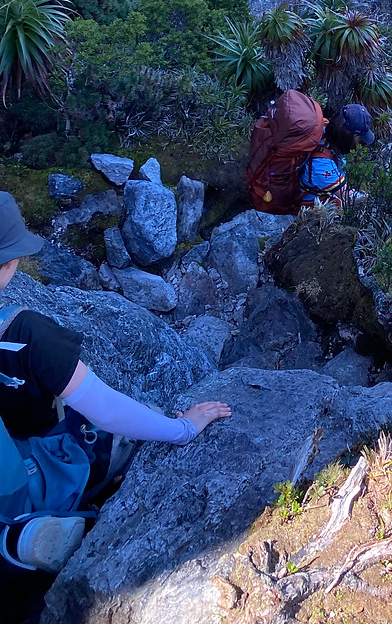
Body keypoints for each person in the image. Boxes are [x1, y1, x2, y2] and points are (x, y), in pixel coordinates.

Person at [0, 192, 231, 576]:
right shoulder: (25, 332)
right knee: (101, 435)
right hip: (15, 481)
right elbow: (106, 409)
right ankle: (25, 526)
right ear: (9, 263)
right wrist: (183, 428)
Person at [298, 102, 375, 208]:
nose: (362, 145)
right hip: (305, 206)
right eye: (360, 140)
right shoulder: (322, 166)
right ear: (347, 137)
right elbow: (347, 196)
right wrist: (374, 199)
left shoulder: (324, 132)